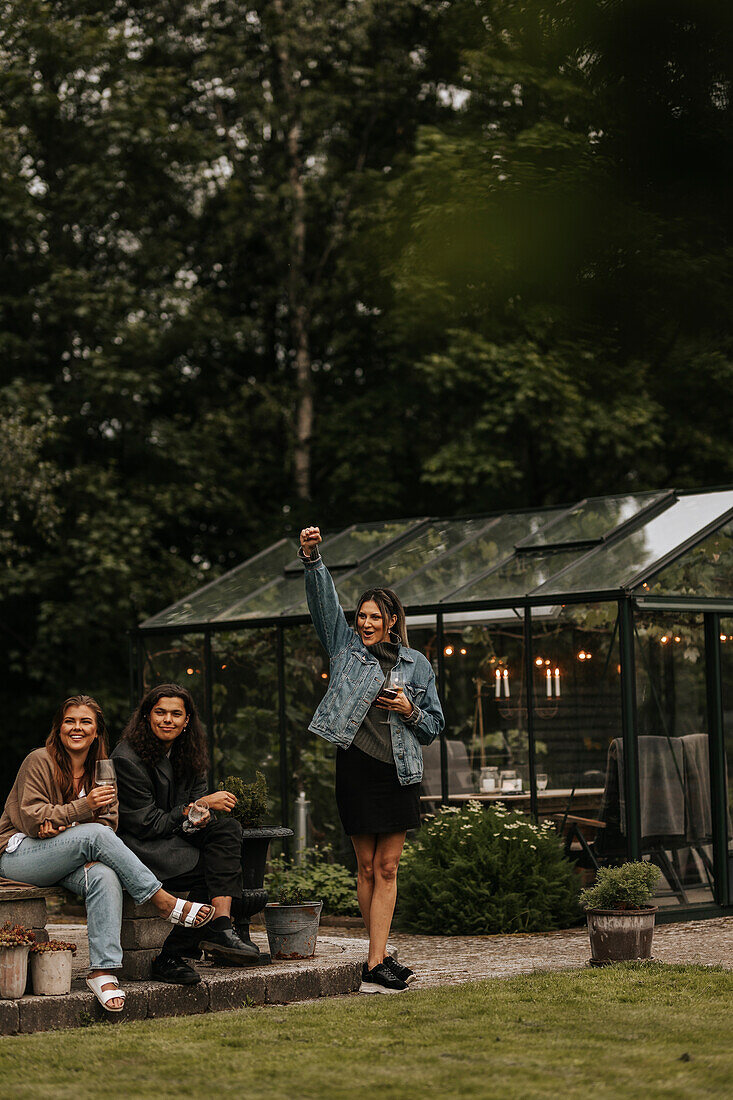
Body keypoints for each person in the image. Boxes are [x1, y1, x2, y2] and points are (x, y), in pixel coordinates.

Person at [299, 524, 444, 994]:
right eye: (360, 616)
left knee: (389, 866)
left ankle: (375, 959)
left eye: (373, 617)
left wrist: (409, 709)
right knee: (365, 867)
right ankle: (376, 958)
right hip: (358, 768)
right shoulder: (345, 651)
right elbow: (324, 607)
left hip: (400, 771)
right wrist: (313, 559)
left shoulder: (416, 664)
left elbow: (434, 726)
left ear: (391, 621)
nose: (364, 623)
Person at [0, 695, 213, 1013]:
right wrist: (83, 809)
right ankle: (162, 901)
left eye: (86, 722)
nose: (77, 728)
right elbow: (32, 819)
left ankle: (103, 970)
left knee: (104, 874)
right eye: (70, 721)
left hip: (65, 853)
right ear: (59, 728)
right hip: (18, 855)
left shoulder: (102, 769)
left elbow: (109, 822)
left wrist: (62, 824)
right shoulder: (39, 760)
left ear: (97, 731)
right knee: (94, 835)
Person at [112, 683, 257, 984]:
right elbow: (146, 823)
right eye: (160, 713)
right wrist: (198, 806)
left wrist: (199, 816)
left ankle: (220, 926)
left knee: (228, 829)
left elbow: (194, 813)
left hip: (176, 837)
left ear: (186, 720)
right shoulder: (127, 758)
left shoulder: (189, 751)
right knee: (213, 871)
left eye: (176, 714)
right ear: (146, 717)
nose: (168, 720)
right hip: (142, 847)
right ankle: (172, 955)